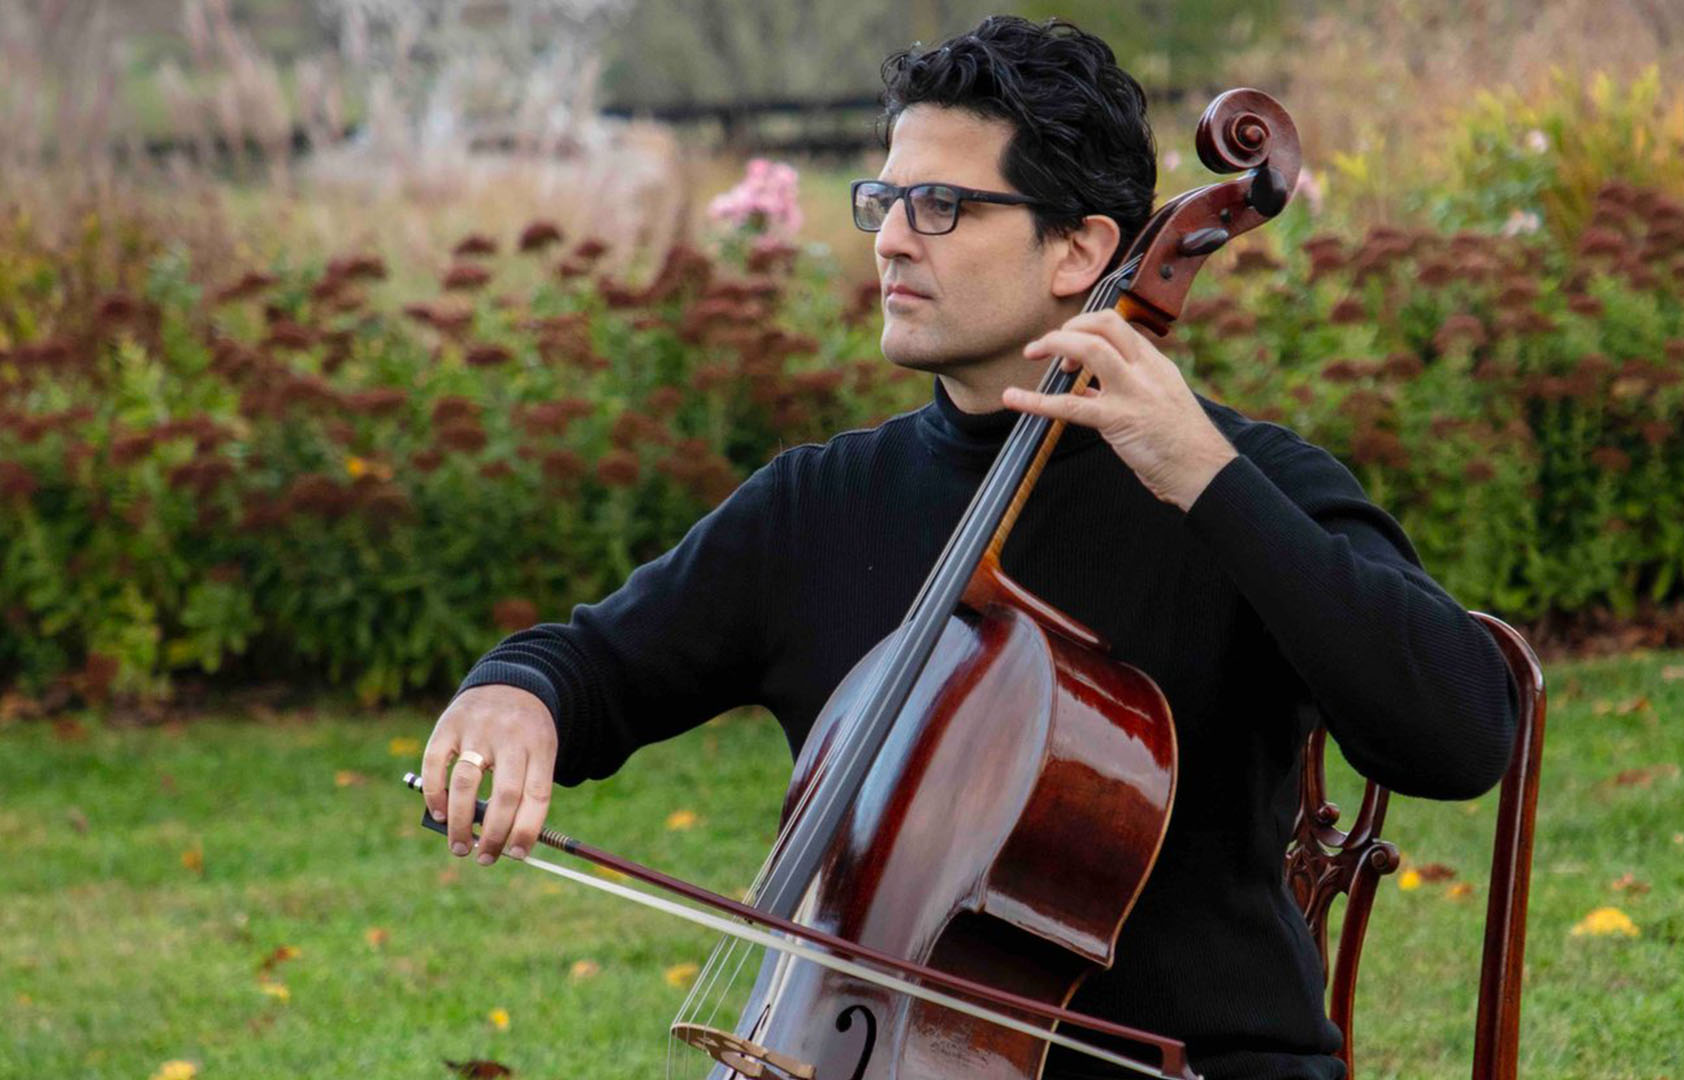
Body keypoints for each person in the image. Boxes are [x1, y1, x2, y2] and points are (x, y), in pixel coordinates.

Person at [420, 15, 1517, 1080]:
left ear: (1080, 249)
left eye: (942, 205)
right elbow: (591, 669)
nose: (891, 238)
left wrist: (1206, 483)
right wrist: (515, 697)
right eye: (886, 201)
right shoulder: (823, 502)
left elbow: (1461, 734)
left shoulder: (1246, 482)